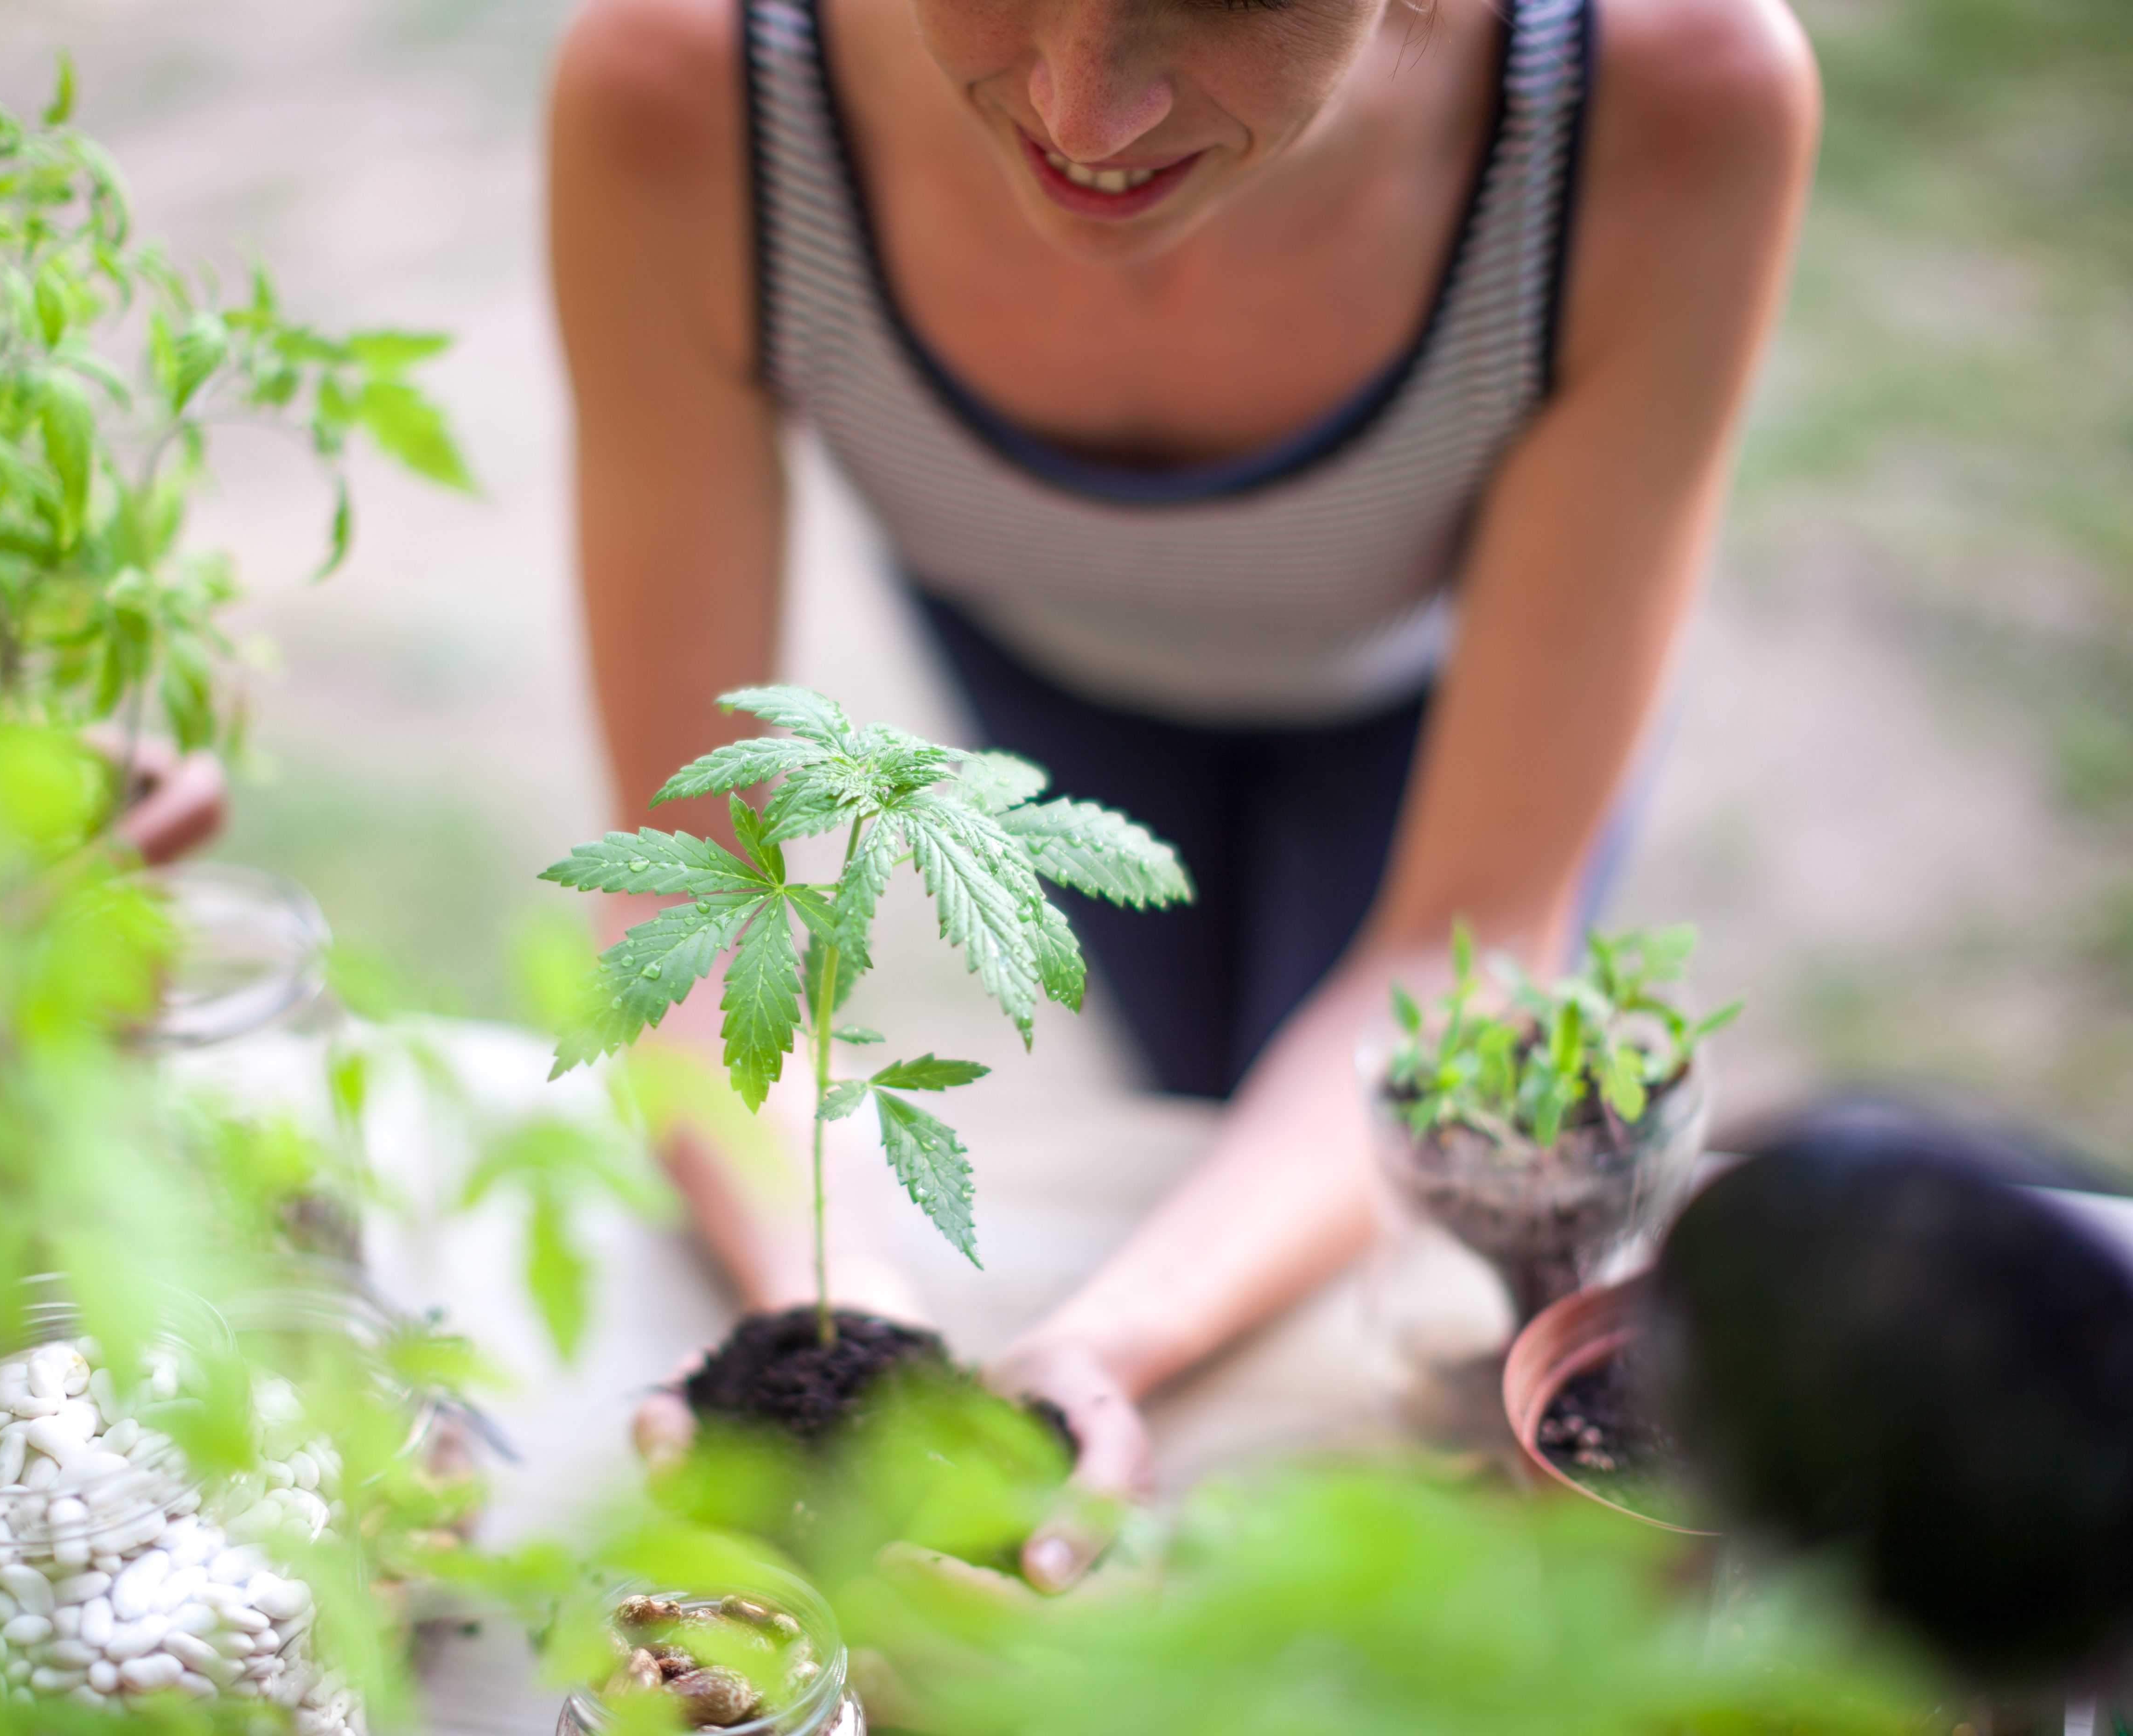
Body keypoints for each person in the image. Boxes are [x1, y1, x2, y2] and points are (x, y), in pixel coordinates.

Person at [548, 0, 1818, 1588]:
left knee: (1369, 1197)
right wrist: (847, 1317)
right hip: (1047, 676)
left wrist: (1112, 1342)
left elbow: (1471, 935)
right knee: (1207, 1105)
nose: (1088, 117)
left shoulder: (1669, 102)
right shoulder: (690, 85)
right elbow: (687, 875)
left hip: (1447, 696)